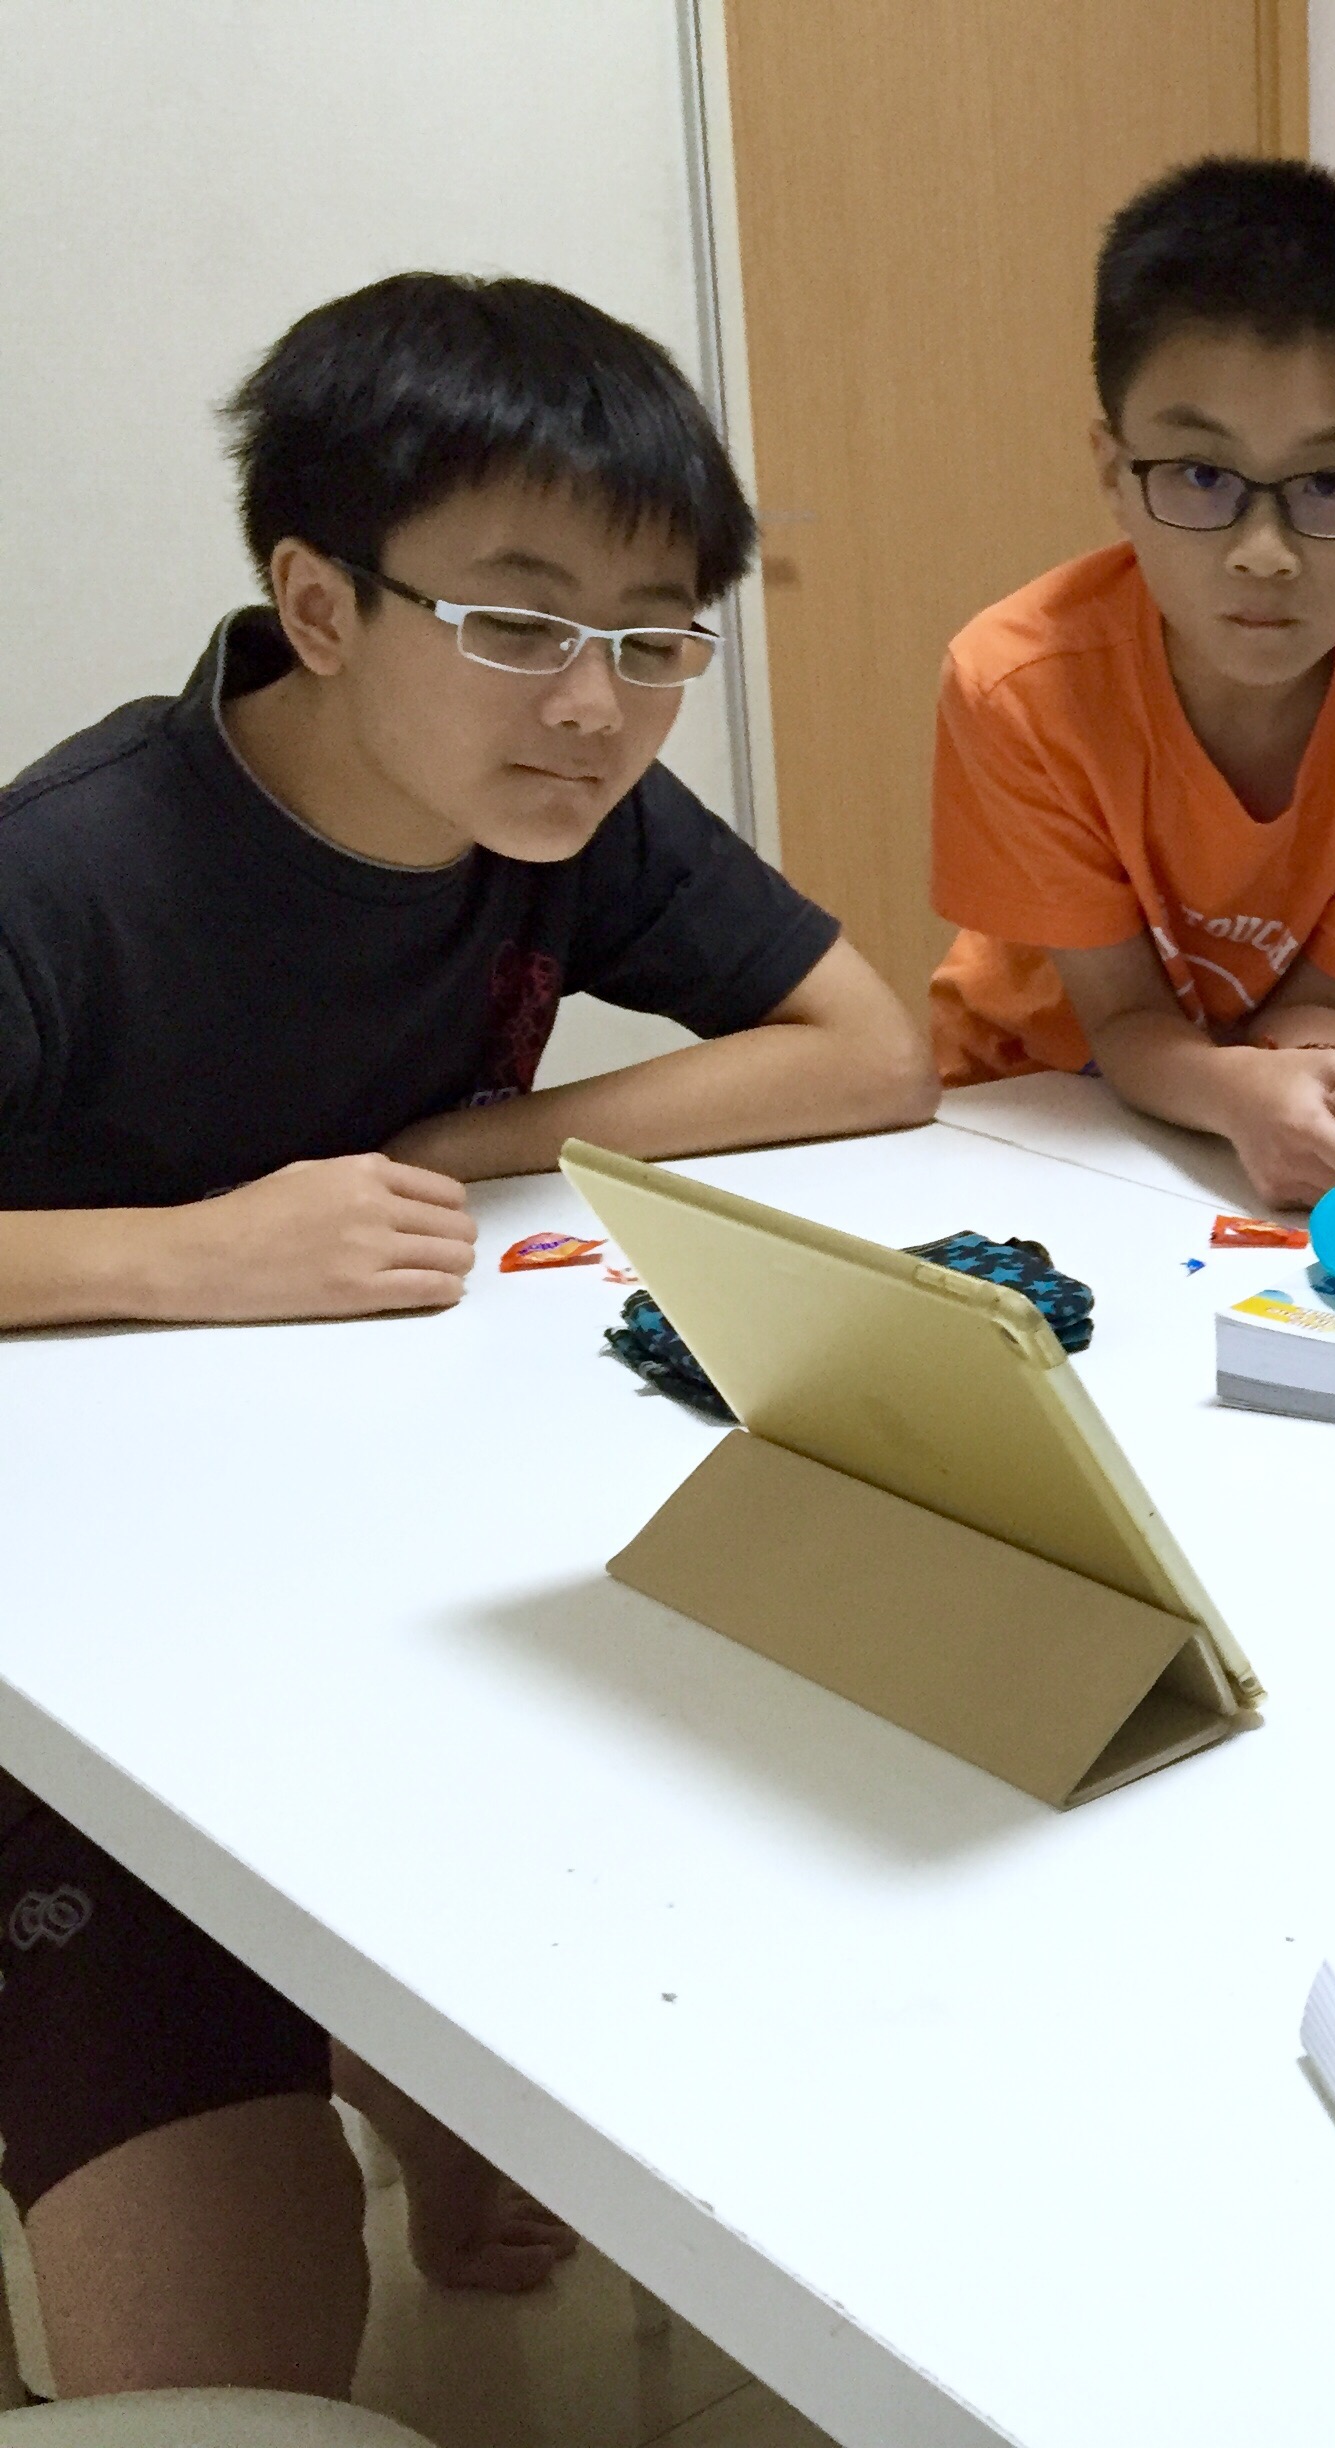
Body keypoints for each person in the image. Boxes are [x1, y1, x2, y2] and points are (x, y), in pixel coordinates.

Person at [0, 271, 934, 2393]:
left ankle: (411, 2060)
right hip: (79, 1647)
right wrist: (187, 1255)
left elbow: (868, 1049)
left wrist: (479, 1137)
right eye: (517, 622)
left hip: (378, 1543)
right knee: (222, 2384)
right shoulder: (70, 871)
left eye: (657, 637)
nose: (596, 704)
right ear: (318, 604)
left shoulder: (560, 811)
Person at [929, 156, 1335, 1208]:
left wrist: (1324, 1080)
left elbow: (1323, 1007)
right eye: (1202, 475)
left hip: (1238, 1137)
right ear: (1113, 473)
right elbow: (1122, 1023)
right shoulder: (1018, 685)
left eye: (1328, 482)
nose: (1262, 552)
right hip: (1020, 1105)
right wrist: (1251, 1095)